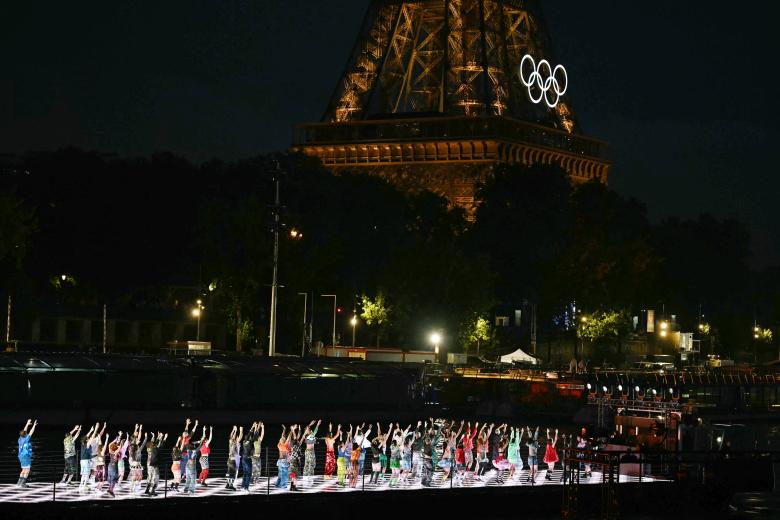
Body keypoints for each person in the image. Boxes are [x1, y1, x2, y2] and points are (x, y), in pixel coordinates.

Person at [143, 431, 168, 496]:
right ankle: (152, 490)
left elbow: (155, 443)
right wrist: (163, 438)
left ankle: (147, 489)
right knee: (155, 477)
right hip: (154, 464)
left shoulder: (149, 448)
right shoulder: (155, 448)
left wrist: (158, 436)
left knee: (149, 477)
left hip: (149, 464)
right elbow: (160, 445)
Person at [17, 419, 37, 487]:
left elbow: (24, 430)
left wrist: (27, 423)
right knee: (27, 470)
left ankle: (19, 482)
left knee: (23, 469)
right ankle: (23, 483)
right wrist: (34, 425)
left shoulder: (20, 439)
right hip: (25, 456)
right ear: (25, 434)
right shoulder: (26, 439)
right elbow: (31, 431)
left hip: (20, 456)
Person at [302, 419, 321, 485]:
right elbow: (315, 431)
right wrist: (317, 424)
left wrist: (310, 424)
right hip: (310, 452)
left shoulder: (306, 436)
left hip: (307, 452)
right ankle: (309, 481)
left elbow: (308, 430)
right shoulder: (310, 436)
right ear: (308, 431)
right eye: (310, 430)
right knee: (311, 465)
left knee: (306, 465)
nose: (311, 430)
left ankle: (305, 479)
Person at [275, 425, 291, 489]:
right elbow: (288, 438)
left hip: (279, 461)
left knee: (280, 474)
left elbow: (282, 437)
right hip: (284, 461)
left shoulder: (279, 445)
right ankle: (283, 486)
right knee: (285, 475)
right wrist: (291, 430)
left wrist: (284, 429)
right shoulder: (285, 445)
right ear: (284, 441)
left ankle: (277, 484)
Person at [226, 425, 242, 491]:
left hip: (229, 459)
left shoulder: (230, 442)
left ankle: (227, 483)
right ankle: (231, 485)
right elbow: (233, 436)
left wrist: (234, 430)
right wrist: (236, 430)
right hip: (233, 460)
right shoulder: (234, 443)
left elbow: (231, 436)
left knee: (229, 472)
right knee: (233, 473)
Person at [240, 424, 255, 492]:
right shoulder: (249, 442)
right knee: (249, 473)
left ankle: (243, 486)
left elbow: (249, 434)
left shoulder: (244, 442)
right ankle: (246, 487)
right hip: (247, 459)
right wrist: (254, 427)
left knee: (245, 473)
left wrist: (253, 427)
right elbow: (252, 435)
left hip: (243, 459)